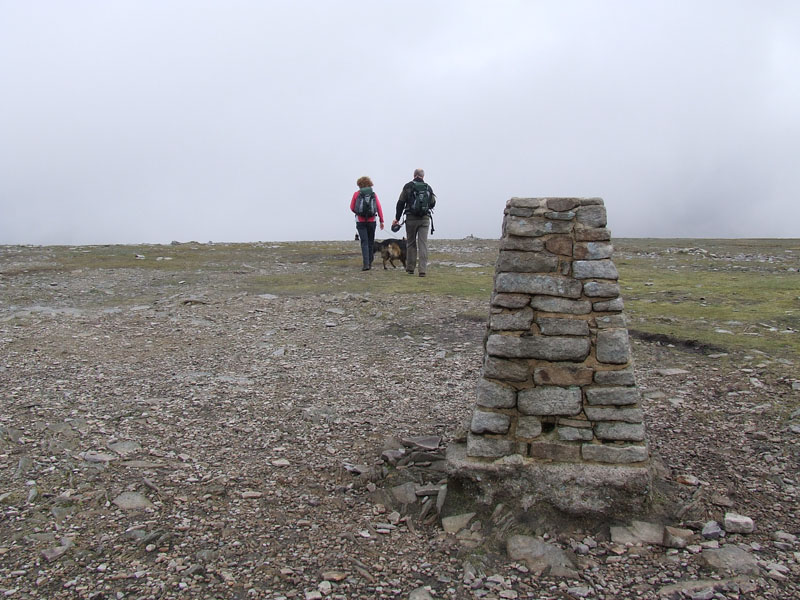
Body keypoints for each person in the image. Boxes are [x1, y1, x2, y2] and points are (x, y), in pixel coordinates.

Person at [392, 168, 435, 277]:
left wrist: (397, 218)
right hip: (424, 219)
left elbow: (400, 203)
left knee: (411, 243)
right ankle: (422, 270)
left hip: (411, 218)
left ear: (414, 175)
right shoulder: (428, 187)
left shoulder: (408, 186)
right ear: (423, 176)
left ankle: (410, 268)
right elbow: (433, 203)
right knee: (423, 244)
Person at [350, 176, 384, 270]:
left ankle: (366, 264)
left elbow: (352, 207)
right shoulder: (373, 194)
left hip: (360, 221)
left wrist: (359, 213)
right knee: (370, 242)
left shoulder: (356, 194)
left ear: (359, 185)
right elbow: (378, 207)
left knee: (364, 242)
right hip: (372, 220)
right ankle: (370, 261)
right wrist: (381, 220)